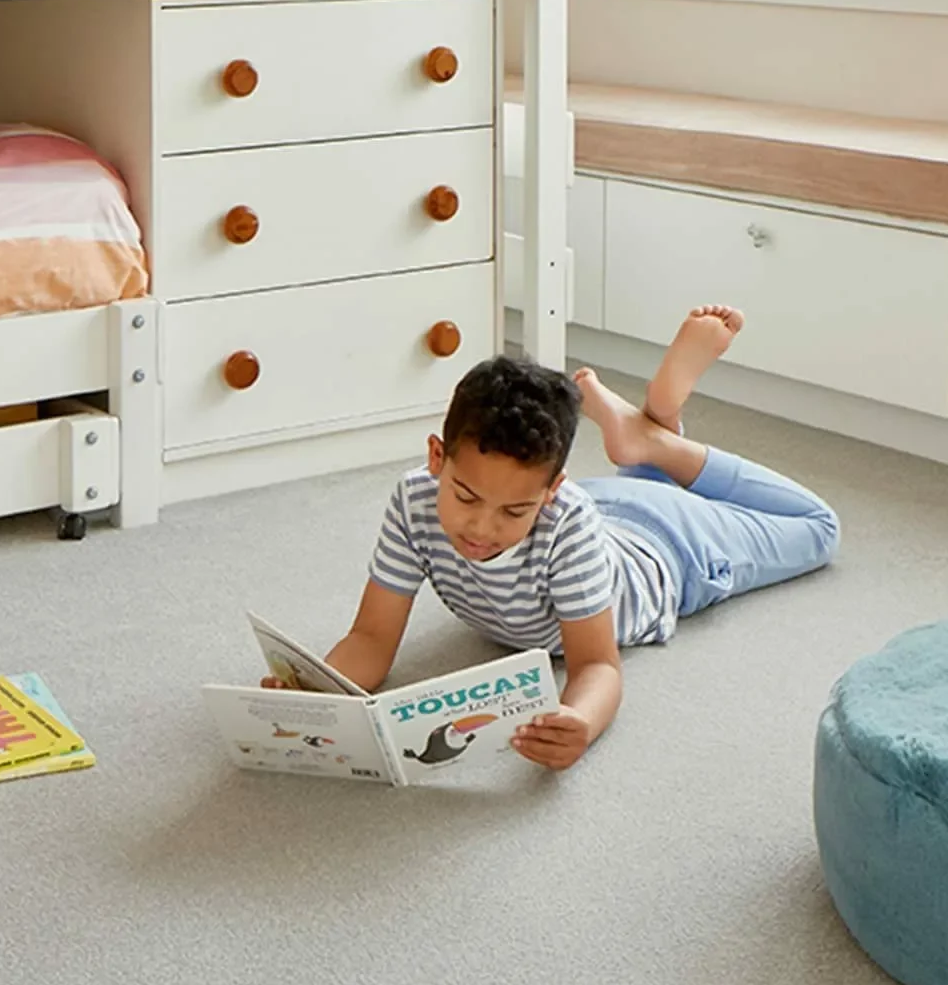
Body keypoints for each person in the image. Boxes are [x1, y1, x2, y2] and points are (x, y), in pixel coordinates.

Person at [309, 307, 840, 770]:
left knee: (818, 527)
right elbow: (372, 639)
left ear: (550, 492)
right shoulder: (414, 498)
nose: (482, 528)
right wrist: (316, 692)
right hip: (608, 507)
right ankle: (650, 434)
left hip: (674, 547)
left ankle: (656, 440)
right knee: (631, 483)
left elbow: (597, 665)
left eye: (513, 511)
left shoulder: (567, 520)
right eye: (466, 497)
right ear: (435, 459)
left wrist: (580, 721)